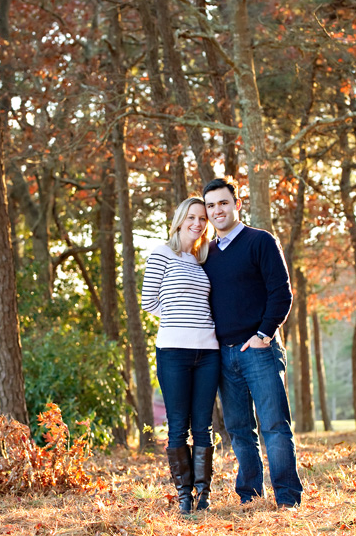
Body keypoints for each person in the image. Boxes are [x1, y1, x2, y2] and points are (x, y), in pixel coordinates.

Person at [201, 178, 303, 509]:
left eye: (223, 203)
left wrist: (263, 335)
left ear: (237, 204)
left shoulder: (260, 241)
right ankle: (250, 496)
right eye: (211, 205)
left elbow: (281, 292)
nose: (217, 210)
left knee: (275, 426)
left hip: (258, 350)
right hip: (223, 355)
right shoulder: (207, 254)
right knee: (239, 431)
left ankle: (287, 499)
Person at [141, 197, 220, 513]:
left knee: (203, 425)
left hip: (209, 352)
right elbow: (149, 301)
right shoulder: (162, 254)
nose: (197, 223)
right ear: (179, 220)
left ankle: (203, 495)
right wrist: (177, 319)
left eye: (202, 218)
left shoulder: (204, 260)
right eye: (192, 217)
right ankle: (184, 496)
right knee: (178, 425)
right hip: (173, 351)